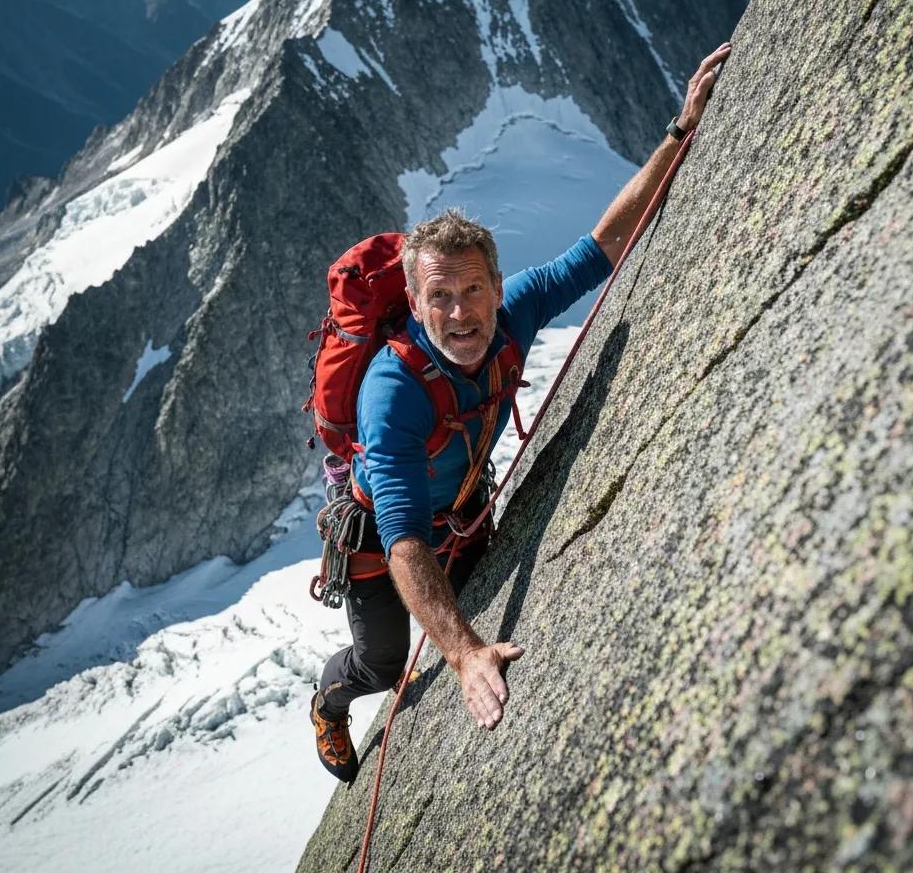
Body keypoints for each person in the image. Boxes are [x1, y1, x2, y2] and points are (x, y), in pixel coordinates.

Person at [311, 43, 732, 780]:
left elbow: (601, 246)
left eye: (473, 291)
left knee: (486, 596)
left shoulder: (514, 313)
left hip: (462, 510)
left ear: (498, 286)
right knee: (381, 663)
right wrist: (465, 653)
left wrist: (681, 129)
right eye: (439, 296)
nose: (460, 312)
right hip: (386, 536)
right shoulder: (393, 389)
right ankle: (328, 698)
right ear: (413, 303)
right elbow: (405, 543)